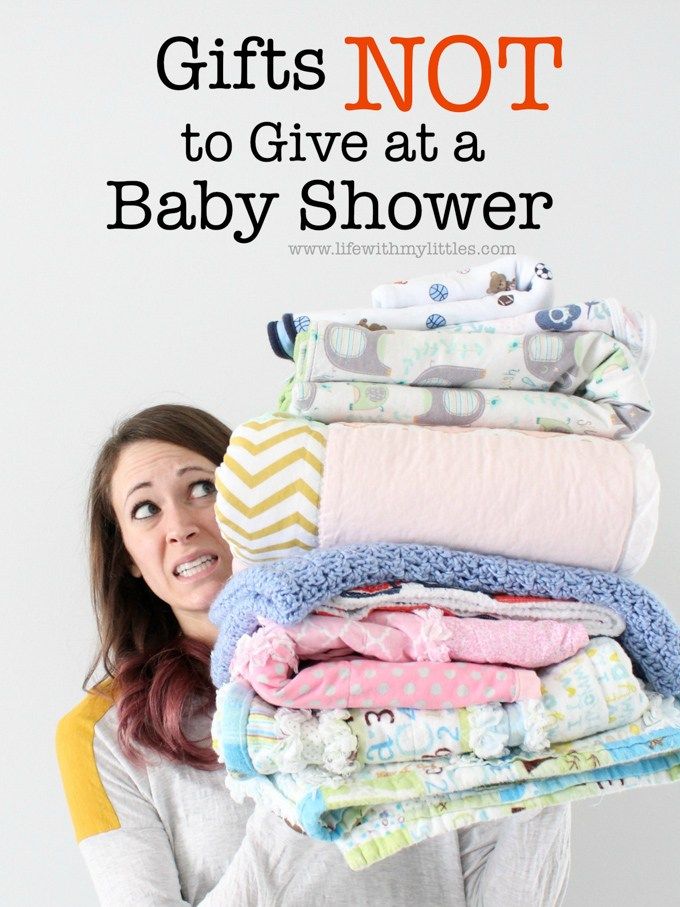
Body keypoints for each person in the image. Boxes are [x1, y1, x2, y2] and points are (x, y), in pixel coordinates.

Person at [56, 404, 572, 906]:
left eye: (202, 488)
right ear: (127, 556)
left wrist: (556, 760)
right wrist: (296, 795)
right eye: (145, 509)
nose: (180, 525)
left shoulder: (404, 653)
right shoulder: (100, 735)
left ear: (255, 506)